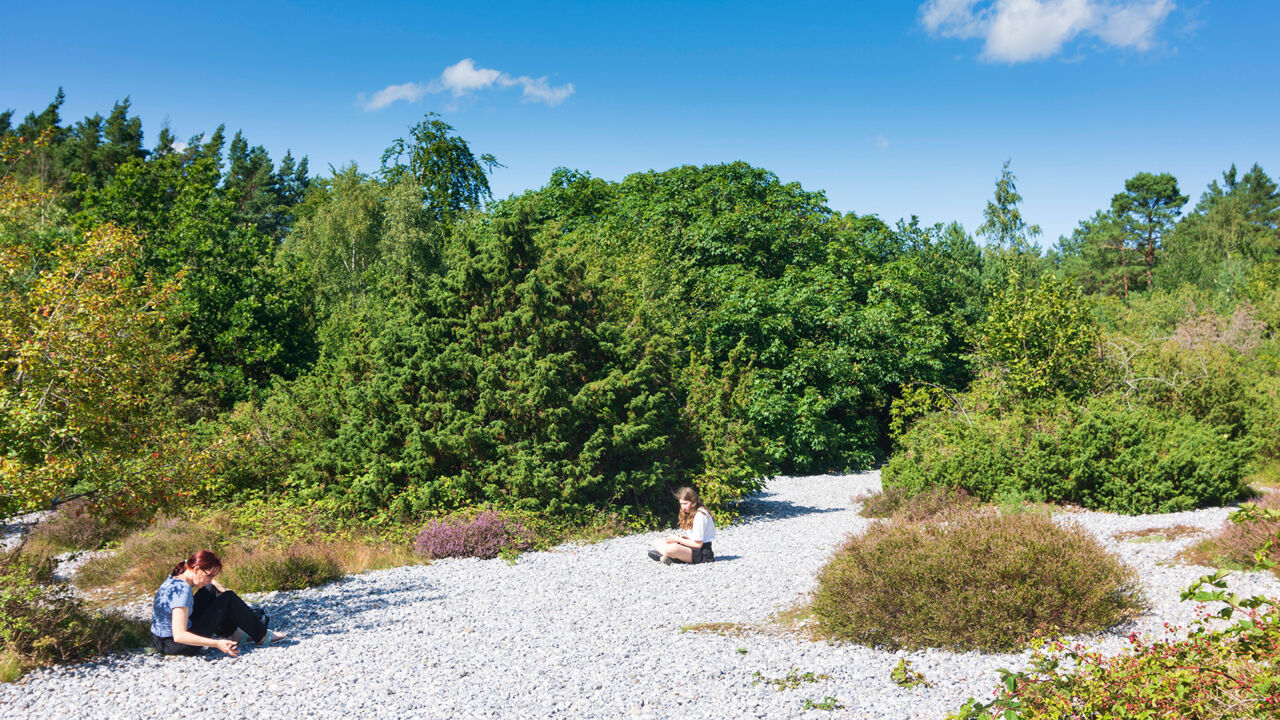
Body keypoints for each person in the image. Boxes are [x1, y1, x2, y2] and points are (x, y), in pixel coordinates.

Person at [150, 550, 286, 657]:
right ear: (196, 570)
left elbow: (209, 584)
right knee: (228, 598)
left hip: (161, 641)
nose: (210, 580)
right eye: (209, 576)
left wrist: (218, 585)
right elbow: (179, 635)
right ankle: (262, 636)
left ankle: (236, 634)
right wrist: (216, 643)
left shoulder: (177, 576)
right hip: (176, 645)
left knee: (211, 590)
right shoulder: (182, 591)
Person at [649, 487, 715, 565]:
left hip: (702, 553)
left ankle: (665, 557)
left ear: (693, 502)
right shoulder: (689, 512)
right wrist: (681, 538)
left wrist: (678, 539)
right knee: (657, 542)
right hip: (692, 548)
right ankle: (669, 556)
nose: (683, 507)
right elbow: (694, 538)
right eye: (681, 504)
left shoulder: (700, 515)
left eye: (685, 504)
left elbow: (698, 544)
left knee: (672, 548)